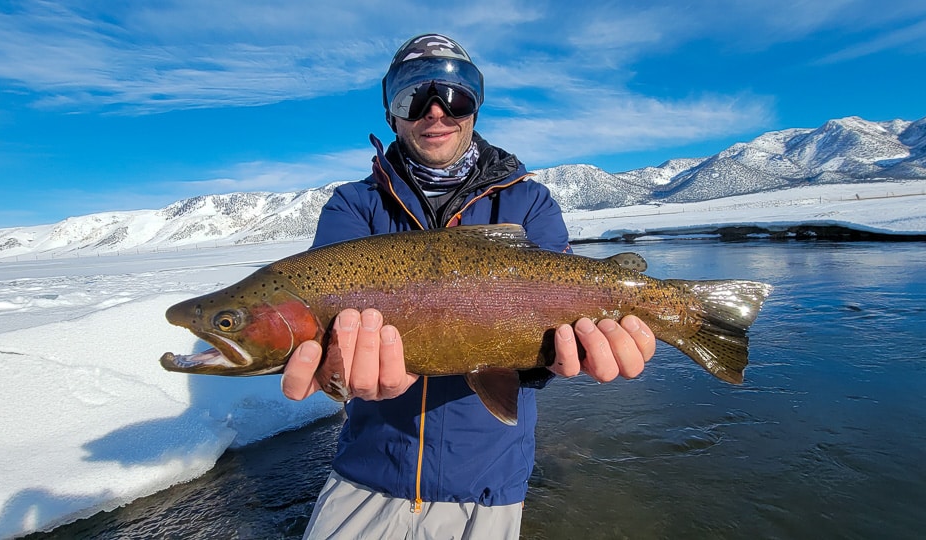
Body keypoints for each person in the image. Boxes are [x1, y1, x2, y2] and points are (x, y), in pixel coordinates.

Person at [281, 33, 657, 540]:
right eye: (413, 96)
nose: (436, 111)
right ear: (391, 114)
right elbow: (327, 326)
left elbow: (553, 328)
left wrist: (552, 361)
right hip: (366, 474)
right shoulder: (353, 206)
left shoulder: (530, 204)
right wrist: (336, 375)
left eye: (455, 95)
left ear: (475, 108)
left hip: (488, 484)